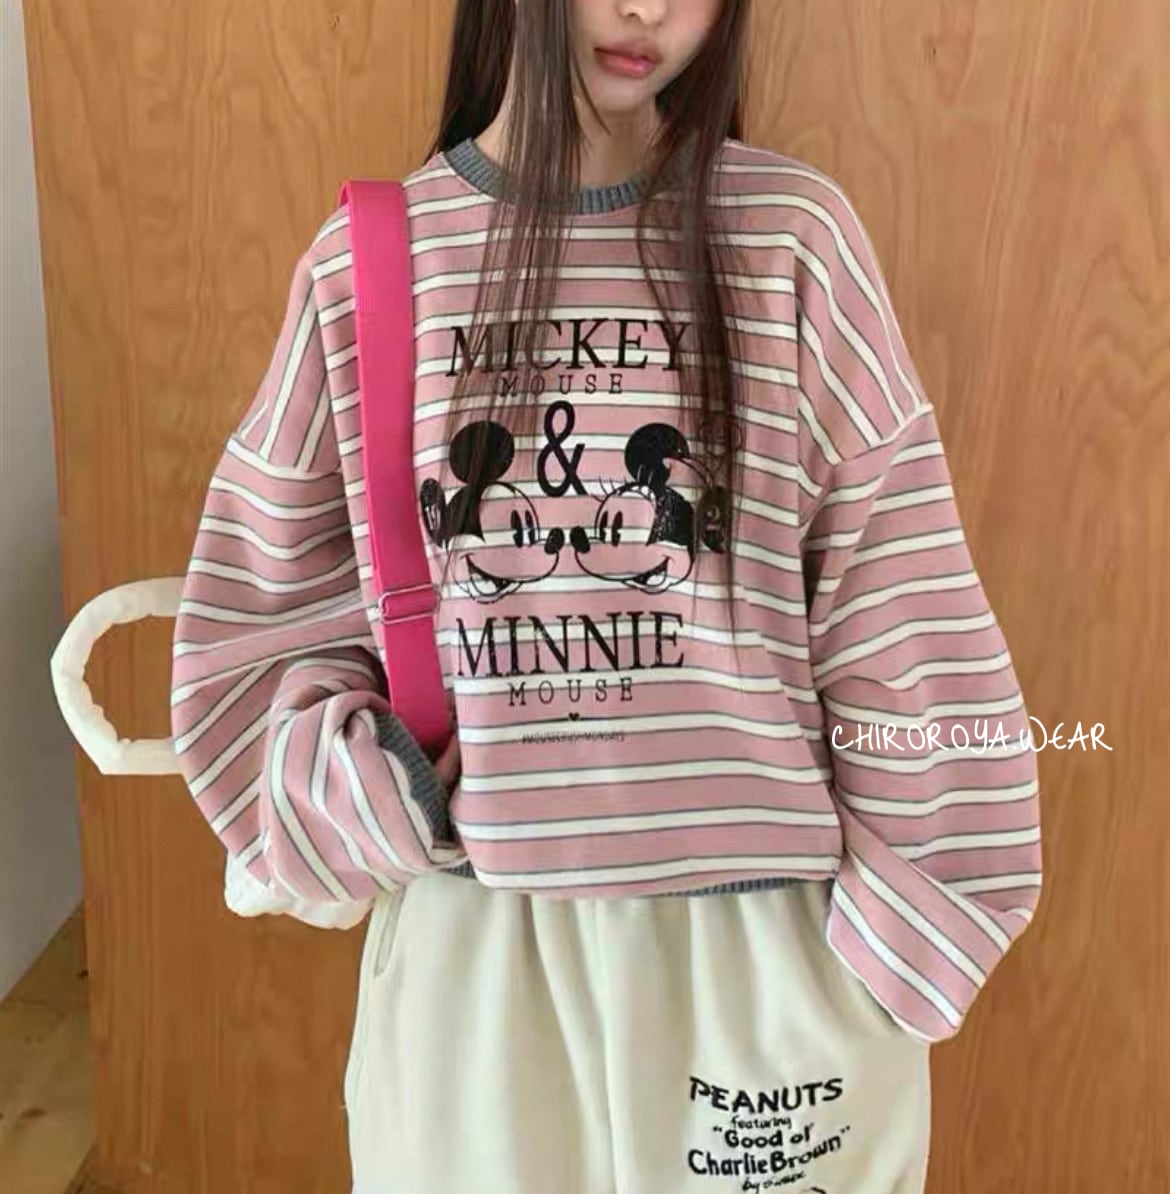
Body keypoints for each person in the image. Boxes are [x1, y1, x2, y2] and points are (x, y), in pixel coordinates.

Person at [170, 1, 1043, 1190]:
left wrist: (920, 925)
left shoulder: (786, 235)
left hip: (768, 954)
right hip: (481, 960)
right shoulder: (371, 264)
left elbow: (899, 594)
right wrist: (370, 792)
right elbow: (256, 627)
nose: (649, 8)